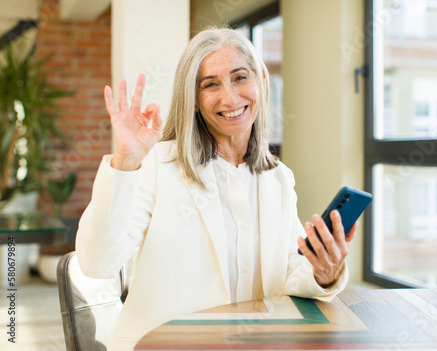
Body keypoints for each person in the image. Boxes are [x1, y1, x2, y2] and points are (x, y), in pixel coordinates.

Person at [76, 27, 357, 351]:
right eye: (211, 84)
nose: (230, 97)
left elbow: (289, 269)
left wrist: (324, 272)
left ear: (261, 83)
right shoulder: (156, 165)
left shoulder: (278, 178)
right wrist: (125, 160)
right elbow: (98, 264)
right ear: (194, 100)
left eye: (240, 78)